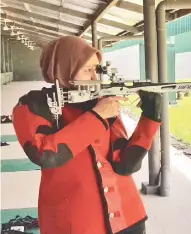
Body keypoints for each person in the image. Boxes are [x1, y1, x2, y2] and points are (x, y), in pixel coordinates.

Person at [12, 36, 162, 234]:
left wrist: (150, 118)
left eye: (96, 69)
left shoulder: (99, 103)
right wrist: (98, 116)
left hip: (127, 219)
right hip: (75, 224)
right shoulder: (33, 105)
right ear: (63, 68)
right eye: (87, 70)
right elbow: (46, 154)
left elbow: (125, 164)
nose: (95, 77)